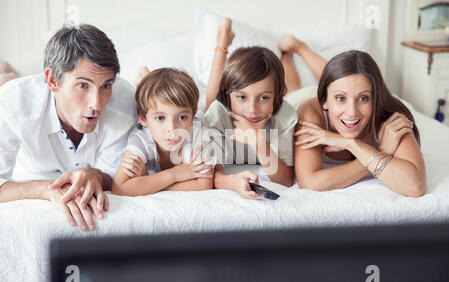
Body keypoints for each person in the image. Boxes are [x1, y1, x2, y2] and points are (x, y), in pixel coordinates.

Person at [0, 24, 138, 231]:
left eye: (106, 85)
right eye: (83, 85)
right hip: (32, 167)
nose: (97, 104)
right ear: (53, 80)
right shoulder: (13, 101)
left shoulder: (126, 104)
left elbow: (116, 176)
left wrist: (97, 175)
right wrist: (46, 188)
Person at [203, 18, 323, 199]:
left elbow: (285, 181)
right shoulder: (218, 114)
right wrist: (233, 183)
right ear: (229, 96)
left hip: (296, 98)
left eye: (264, 98)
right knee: (211, 104)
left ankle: (295, 49)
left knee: (295, 89)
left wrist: (258, 142)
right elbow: (211, 175)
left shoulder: (286, 115)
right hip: (228, 105)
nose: (252, 109)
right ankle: (222, 43)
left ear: (276, 97)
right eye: (242, 97)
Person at [294, 50, 426, 197]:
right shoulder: (311, 114)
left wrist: (350, 144)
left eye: (364, 98)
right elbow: (310, 183)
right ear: (324, 100)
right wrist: (382, 151)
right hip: (298, 96)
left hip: (335, 90)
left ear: (375, 98)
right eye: (340, 99)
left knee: (344, 82)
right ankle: (295, 48)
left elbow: (415, 186)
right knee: (292, 85)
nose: (352, 112)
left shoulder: (389, 119)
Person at [111, 68, 215, 196]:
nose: (172, 128)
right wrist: (174, 174)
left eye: (182, 117)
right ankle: (144, 75)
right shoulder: (141, 139)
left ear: (192, 117)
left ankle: (145, 76)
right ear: (143, 119)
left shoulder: (199, 135)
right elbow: (120, 188)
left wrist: (148, 181)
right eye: (160, 118)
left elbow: (203, 185)